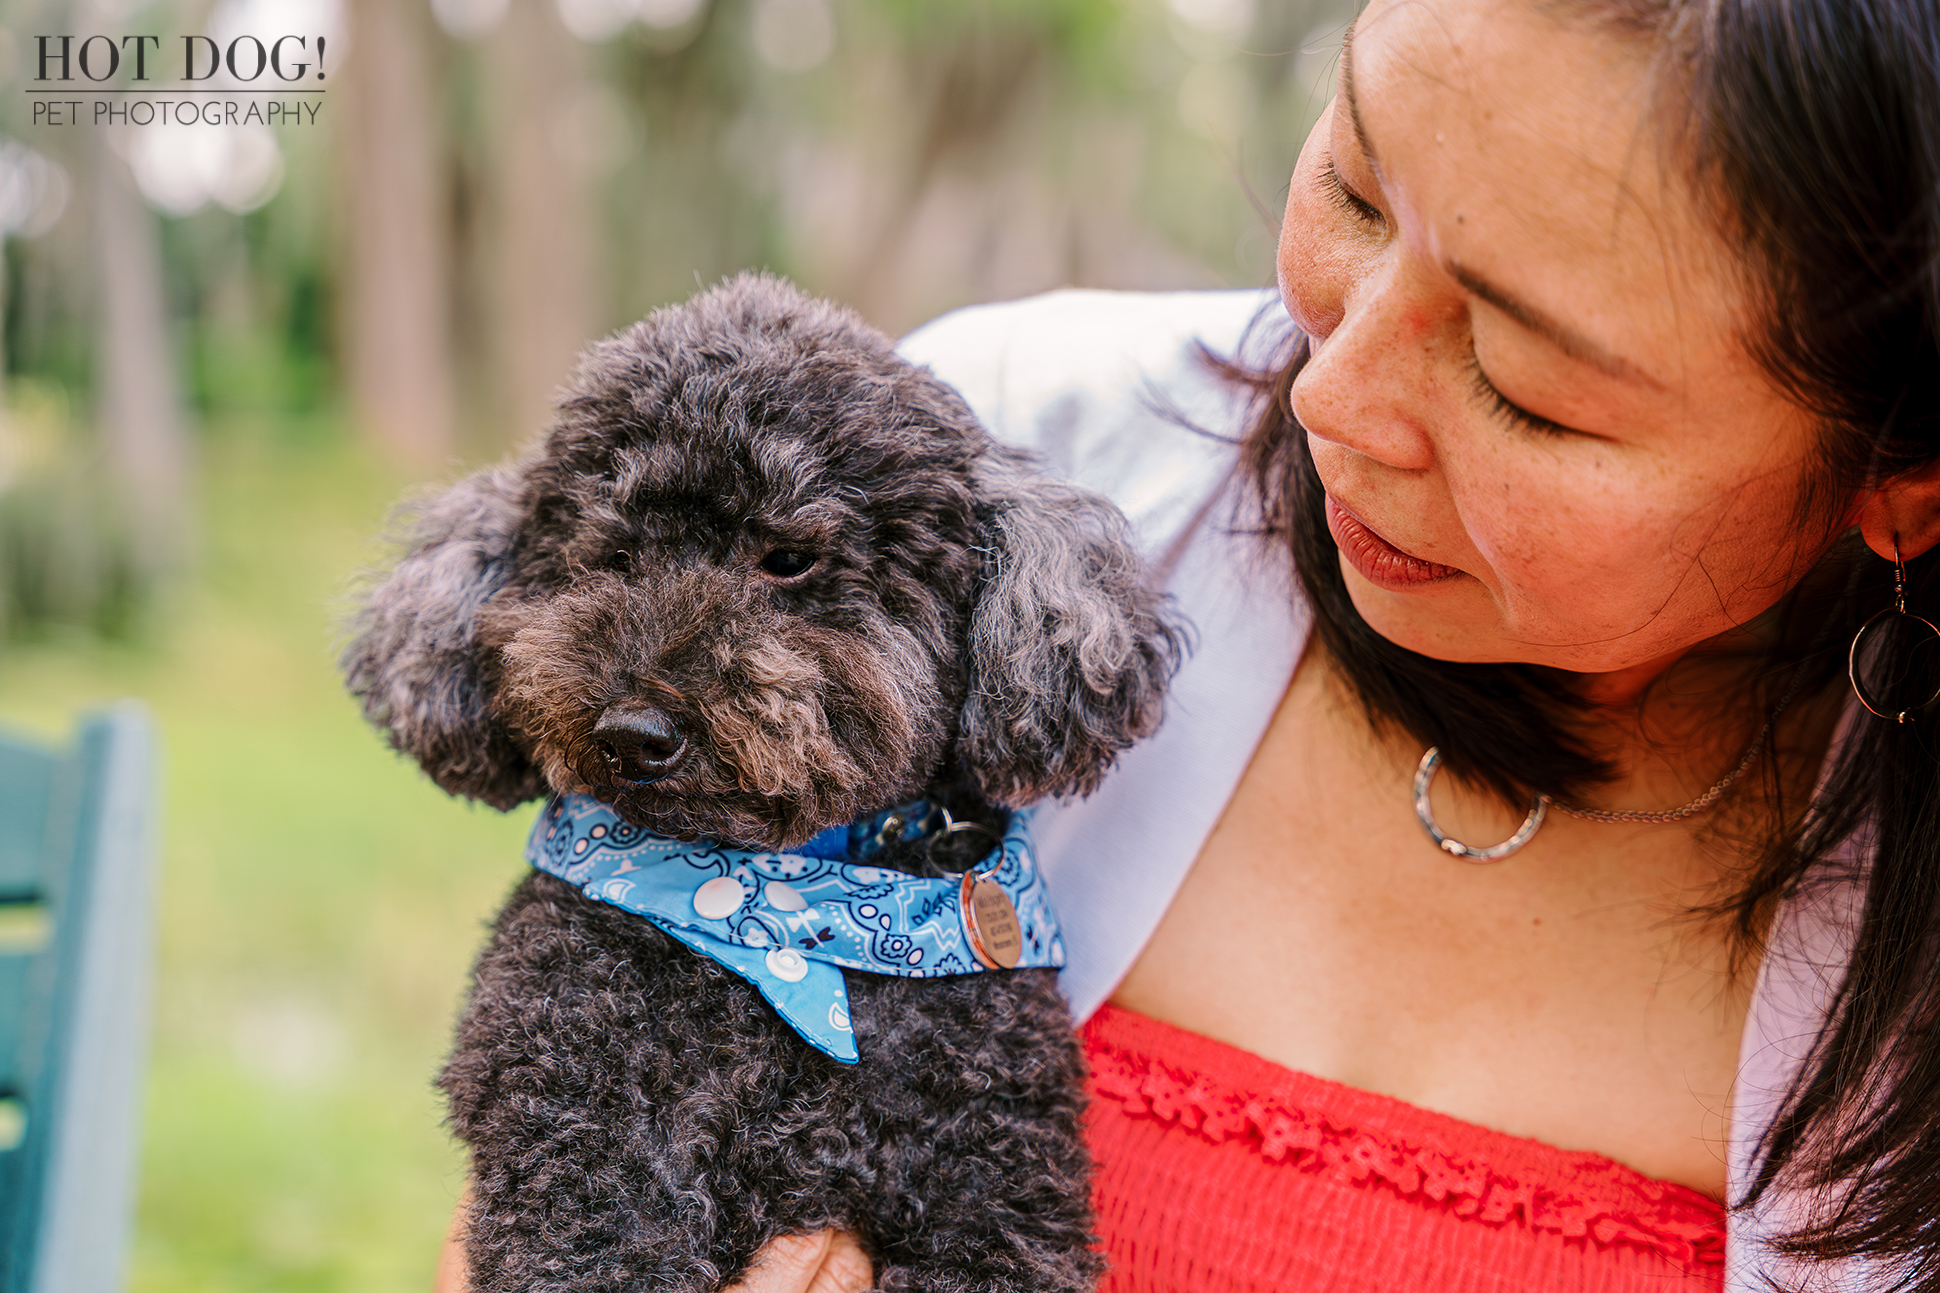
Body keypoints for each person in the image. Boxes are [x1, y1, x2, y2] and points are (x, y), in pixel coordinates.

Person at [436, 0, 1940, 1288]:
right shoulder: (1007, 443)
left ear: (1900, 478)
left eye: (1526, 386)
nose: (1327, 397)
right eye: (1355, 190)